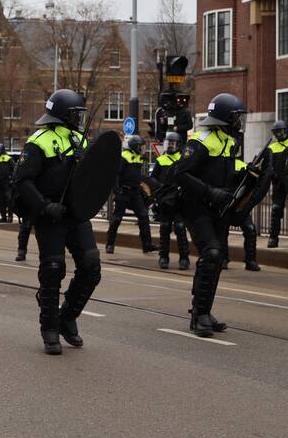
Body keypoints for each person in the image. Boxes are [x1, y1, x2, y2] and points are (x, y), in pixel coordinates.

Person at [12, 89, 100, 355]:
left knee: (91, 267)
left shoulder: (79, 140)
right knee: (53, 269)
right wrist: (44, 206)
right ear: (63, 115)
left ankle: (67, 317)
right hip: (50, 214)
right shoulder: (38, 142)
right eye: (76, 114)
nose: (80, 119)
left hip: (76, 214)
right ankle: (49, 327)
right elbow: (22, 181)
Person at [173, 93, 245, 338]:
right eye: (236, 117)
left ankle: (202, 310)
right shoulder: (201, 141)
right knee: (211, 252)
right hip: (197, 207)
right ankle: (200, 315)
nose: (239, 122)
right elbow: (180, 173)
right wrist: (210, 192)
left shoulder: (229, 141)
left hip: (219, 210)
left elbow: (225, 174)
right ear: (225, 118)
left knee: (217, 258)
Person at [105, 135, 157, 254]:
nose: (142, 149)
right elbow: (116, 174)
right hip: (124, 192)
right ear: (134, 146)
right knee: (117, 218)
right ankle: (110, 244)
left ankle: (147, 245)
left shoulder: (138, 157)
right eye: (140, 146)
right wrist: (117, 190)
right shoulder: (124, 157)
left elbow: (137, 176)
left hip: (135, 192)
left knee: (144, 216)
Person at [150, 132, 190, 270]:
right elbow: (153, 178)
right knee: (165, 228)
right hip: (165, 201)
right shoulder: (161, 160)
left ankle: (184, 258)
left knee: (180, 228)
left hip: (179, 200)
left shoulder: (183, 160)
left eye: (173, 143)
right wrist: (159, 188)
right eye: (168, 143)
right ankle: (163, 257)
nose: (170, 146)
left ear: (179, 145)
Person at [263, 121, 288, 248]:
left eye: (281, 131)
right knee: (276, 210)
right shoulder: (272, 148)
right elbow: (268, 166)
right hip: (278, 183)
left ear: (287, 131)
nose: (279, 134)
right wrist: (273, 175)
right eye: (277, 132)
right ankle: (273, 238)